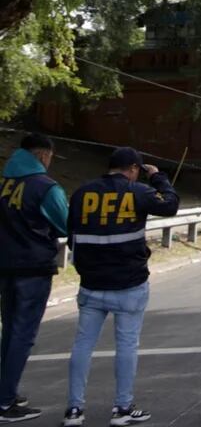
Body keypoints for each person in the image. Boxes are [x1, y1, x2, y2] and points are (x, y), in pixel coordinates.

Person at [63, 147, 180, 427]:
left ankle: (74, 411)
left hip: (91, 284)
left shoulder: (82, 193)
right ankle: (123, 408)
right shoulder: (137, 190)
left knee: (82, 345)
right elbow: (170, 205)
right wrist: (159, 178)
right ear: (134, 169)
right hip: (129, 283)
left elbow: (72, 238)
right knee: (127, 345)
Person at [0, 134, 68, 423]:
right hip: (34, 269)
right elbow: (66, 223)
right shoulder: (45, 187)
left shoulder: (3, 185)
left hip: (5, 267)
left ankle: (5, 390)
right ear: (42, 155)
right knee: (22, 335)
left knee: (9, 332)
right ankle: (5, 403)